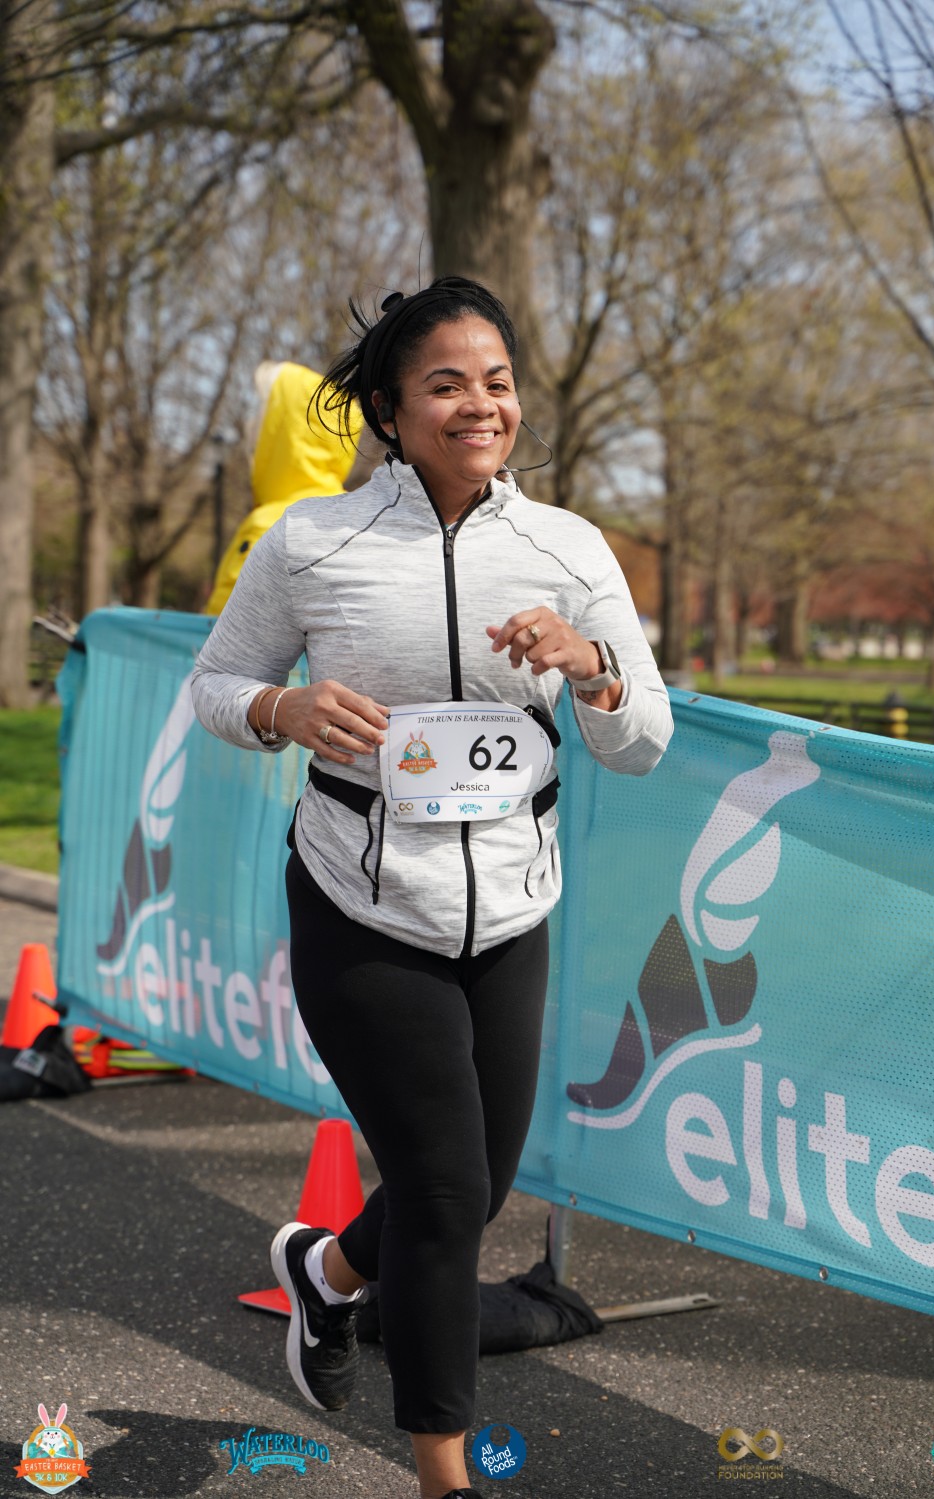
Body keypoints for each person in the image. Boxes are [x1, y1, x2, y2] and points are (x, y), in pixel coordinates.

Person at [189, 276, 673, 1499]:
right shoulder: (316, 541)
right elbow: (216, 684)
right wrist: (284, 706)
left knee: (474, 1181)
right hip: (359, 902)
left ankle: (327, 1274)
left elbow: (643, 739)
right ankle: (443, 1475)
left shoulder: (567, 547)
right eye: (446, 384)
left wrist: (595, 667)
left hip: (510, 908)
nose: (479, 405)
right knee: (450, 1192)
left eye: (496, 382)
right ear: (392, 411)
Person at [204, 360, 367, 615]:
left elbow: (221, 625)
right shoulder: (358, 520)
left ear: (281, 435)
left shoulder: (270, 524)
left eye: (263, 414)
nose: (251, 425)